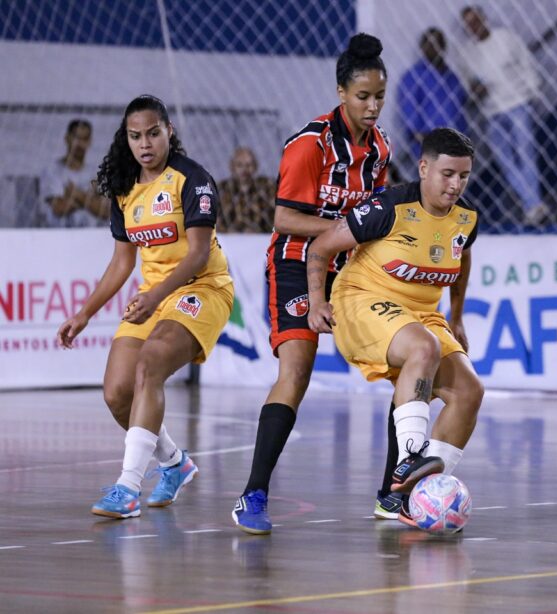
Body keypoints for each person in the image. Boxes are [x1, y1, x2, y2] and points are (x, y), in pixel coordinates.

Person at [231, 33, 392, 535]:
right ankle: (252, 495)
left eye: (379, 97)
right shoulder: (310, 143)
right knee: (295, 373)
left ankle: (392, 495)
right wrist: (343, 232)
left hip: (352, 271)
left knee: (407, 364)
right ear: (341, 92)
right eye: (363, 96)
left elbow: (376, 215)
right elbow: (283, 218)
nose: (372, 106)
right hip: (298, 264)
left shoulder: (381, 150)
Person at [57, 95, 234, 518]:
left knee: (150, 362)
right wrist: (84, 314)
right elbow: (122, 262)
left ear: (169, 131)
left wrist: (153, 297)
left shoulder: (193, 179)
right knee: (117, 392)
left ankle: (128, 488)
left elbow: (195, 255)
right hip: (154, 294)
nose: (145, 144)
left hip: (202, 289)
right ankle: (174, 463)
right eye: (135, 136)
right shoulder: (124, 188)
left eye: (153, 133)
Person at [307, 127, 484, 527]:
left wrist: (456, 316)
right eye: (447, 174)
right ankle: (409, 462)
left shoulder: (467, 218)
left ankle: (410, 497)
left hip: (421, 314)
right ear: (424, 168)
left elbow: (462, 259)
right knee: (424, 349)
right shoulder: (389, 207)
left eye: (464, 176)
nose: (456, 185)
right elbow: (321, 247)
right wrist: (317, 302)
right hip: (360, 300)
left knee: (469, 391)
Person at [455, 5, 545, 225]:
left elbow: (527, 63)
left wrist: (532, 93)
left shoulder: (505, 38)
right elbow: (467, 83)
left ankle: (532, 205)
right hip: (491, 111)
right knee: (505, 160)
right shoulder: (468, 53)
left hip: (517, 104)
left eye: (476, 21)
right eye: (469, 24)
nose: (473, 27)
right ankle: (533, 203)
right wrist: (475, 90)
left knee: (525, 154)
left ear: (484, 19)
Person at [397, 27, 467, 177]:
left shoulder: (451, 76)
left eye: (439, 43)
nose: (435, 48)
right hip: (429, 141)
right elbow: (408, 108)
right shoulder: (413, 75)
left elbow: (461, 105)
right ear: (422, 47)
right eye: (430, 44)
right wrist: (419, 135)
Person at [40, 118, 110, 227]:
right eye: (76, 138)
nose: (80, 144)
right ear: (67, 138)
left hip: (92, 235)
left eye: (85, 139)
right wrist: (90, 200)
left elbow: (105, 212)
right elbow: (59, 208)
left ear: (90, 141)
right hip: (60, 235)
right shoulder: (52, 171)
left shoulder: (97, 173)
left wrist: (77, 195)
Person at [217, 147, 275, 233]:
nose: (244, 169)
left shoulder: (266, 188)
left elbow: (274, 217)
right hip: (228, 239)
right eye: (239, 165)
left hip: (261, 238)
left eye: (248, 165)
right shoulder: (222, 189)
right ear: (232, 167)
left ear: (255, 166)